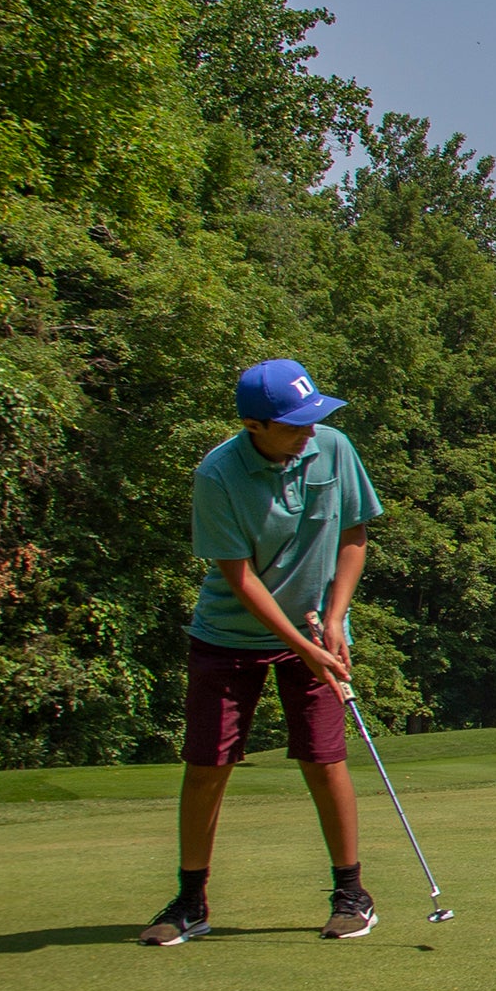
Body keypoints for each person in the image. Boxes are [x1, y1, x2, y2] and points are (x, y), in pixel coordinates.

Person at [141, 359, 389, 944]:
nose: (310, 431)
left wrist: (333, 621)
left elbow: (354, 536)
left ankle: (352, 893)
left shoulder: (331, 448)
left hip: (316, 630)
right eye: (295, 423)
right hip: (230, 635)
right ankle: (191, 901)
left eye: (314, 418)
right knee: (208, 765)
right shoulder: (218, 475)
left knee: (323, 758)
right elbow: (240, 578)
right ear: (254, 424)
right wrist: (300, 644)